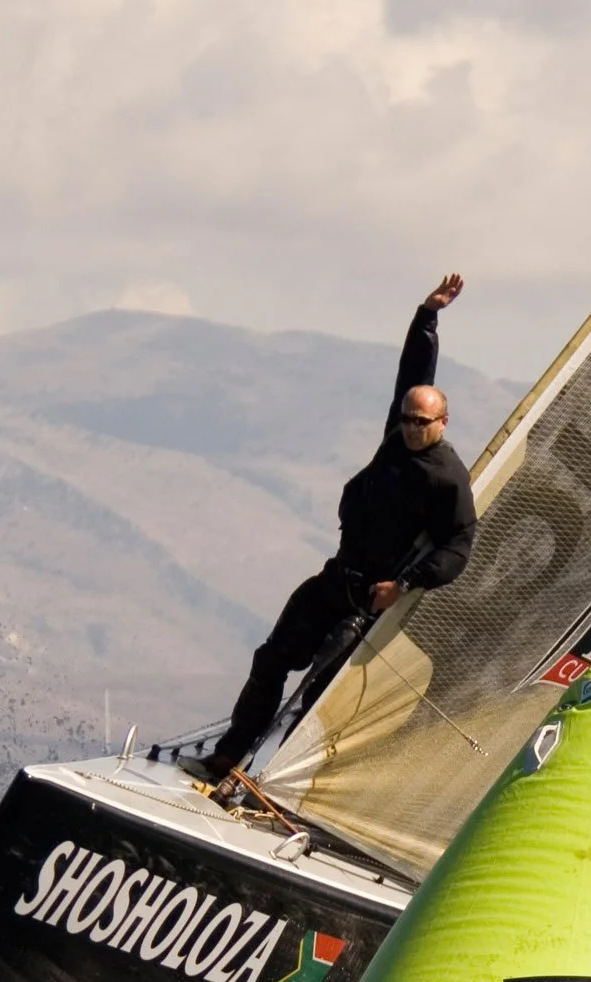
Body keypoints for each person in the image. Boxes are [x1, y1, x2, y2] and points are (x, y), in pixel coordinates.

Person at [189, 274, 479, 782]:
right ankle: (228, 756)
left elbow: (459, 545)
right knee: (272, 657)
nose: (412, 428)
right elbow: (412, 372)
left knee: (314, 696)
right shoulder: (396, 437)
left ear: (443, 424)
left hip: (370, 602)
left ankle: (268, 783)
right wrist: (427, 316)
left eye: (422, 423)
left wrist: (406, 585)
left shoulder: (447, 478)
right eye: (408, 419)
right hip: (335, 579)